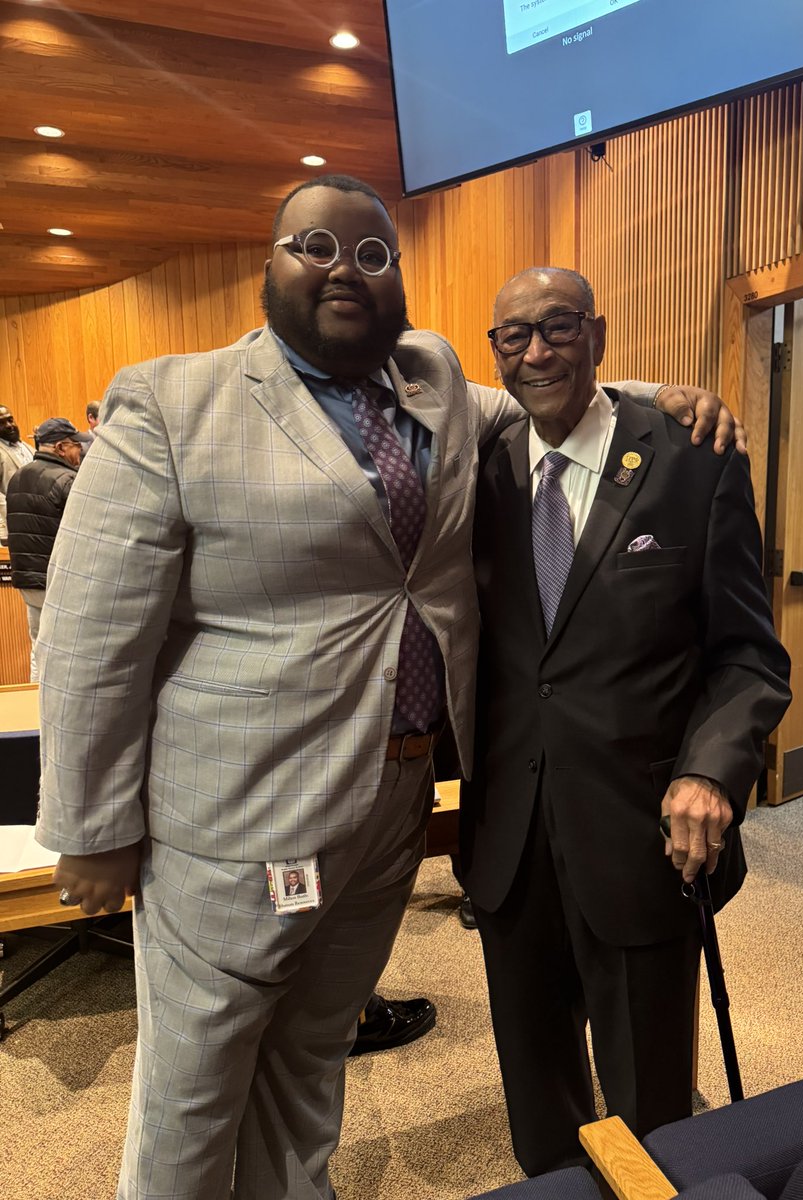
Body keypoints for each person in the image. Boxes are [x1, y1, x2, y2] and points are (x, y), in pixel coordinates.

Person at [35, 175, 740, 1200]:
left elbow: (554, 399)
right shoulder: (171, 402)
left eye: (371, 254)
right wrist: (90, 827)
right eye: (312, 247)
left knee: (313, 1061)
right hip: (236, 819)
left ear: (397, 278)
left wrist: (660, 397)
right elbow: (92, 633)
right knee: (194, 1093)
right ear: (267, 264)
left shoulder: (435, 377)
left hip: (392, 809)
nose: (342, 270)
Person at [459, 267, 792, 1177]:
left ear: (598, 333)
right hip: (508, 845)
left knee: (653, 1112)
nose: (536, 351)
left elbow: (749, 654)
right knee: (538, 1103)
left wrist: (712, 769)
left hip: (642, 835)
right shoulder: (481, 476)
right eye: (513, 336)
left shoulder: (693, 458)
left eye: (559, 326)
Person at [7, 417, 83, 680]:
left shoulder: (17, 477)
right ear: (61, 448)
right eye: (75, 445)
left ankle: (35, 711)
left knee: (39, 648)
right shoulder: (69, 480)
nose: (80, 451)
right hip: (60, 582)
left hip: (29, 581)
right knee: (68, 653)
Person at [0, 404, 35, 545]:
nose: (9, 425)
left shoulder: (26, 447)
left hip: (36, 521)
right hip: (15, 525)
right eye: (1, 423)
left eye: (10, 420)